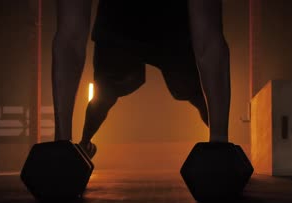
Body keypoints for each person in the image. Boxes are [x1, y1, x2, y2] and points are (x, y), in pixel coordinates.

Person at [52, 0, 230, 158]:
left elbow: (208, 38)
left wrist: (220, 141)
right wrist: (61, 143)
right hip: (120, 21)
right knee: (105, 91)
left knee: (194, 90)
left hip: (171, 24)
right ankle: (82, 144)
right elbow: (71, 37)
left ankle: (219, 142)